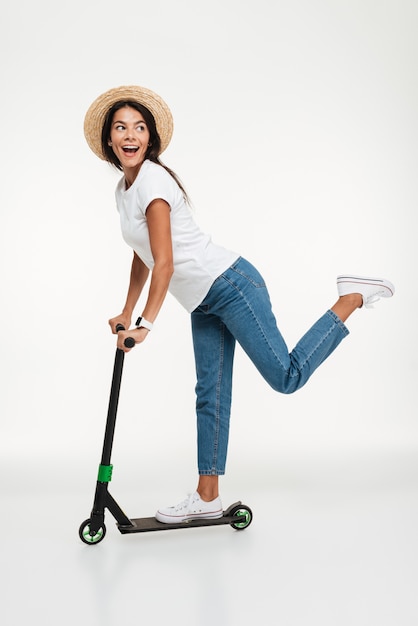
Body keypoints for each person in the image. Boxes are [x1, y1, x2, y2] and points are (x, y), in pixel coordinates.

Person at [84, 85, 395, 524]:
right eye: (120, 127)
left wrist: (145, 325)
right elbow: (144, 254)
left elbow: (166, 264)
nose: (130, 135)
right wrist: (126, 309)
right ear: (110, 140)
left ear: (150, 139)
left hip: (231, 285)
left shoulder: (152, 181)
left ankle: (351, 298)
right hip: (203, 301)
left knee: (285, 377)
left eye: (138, 127)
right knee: (209, 394)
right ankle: (207, 495)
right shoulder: (124, 188)